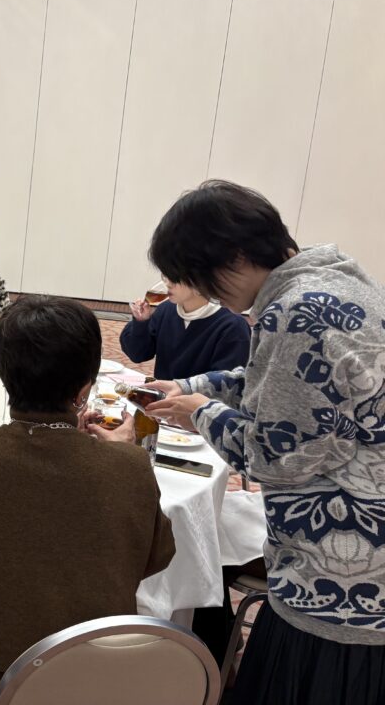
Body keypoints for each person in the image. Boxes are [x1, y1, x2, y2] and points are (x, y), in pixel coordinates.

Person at [145, 180, 385, 704]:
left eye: (201, 277)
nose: (208, 294)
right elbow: (280, 382)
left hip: (342, 577)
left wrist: (200, 413)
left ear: (234, 256)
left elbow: (276, 456)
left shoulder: (298, 312)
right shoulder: (332, 282)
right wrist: (192, 387)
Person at [0, 296, 176, 705]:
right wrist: (119, 454)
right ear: (84, 390)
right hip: (90, 680)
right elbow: (156, 557)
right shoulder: (128, 465)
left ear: (4, 377)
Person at [119, 275, 251, 380]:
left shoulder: (232, 326)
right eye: (166, 275)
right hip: (161, 400)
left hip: (200, 405)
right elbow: (137, 354)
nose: (168, 283)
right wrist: (141, 323)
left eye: (175, 277)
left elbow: (227, 385)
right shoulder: (166, 309)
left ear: (200, 280)